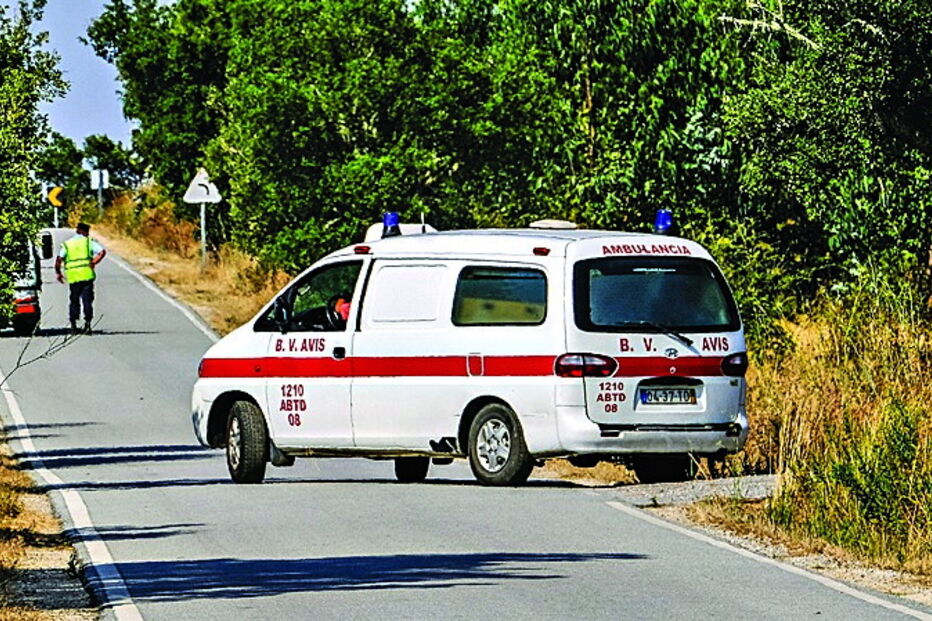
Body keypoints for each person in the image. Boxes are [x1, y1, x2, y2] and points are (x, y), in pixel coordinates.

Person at [55, 223, 106, 334]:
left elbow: (59, 259)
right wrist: (93, 262)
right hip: (87, 275)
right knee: (87, 300)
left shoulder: (67, 244)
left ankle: (73, 325)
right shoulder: (88, 242)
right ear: (86, 231)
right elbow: (102, 252)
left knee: (74, 300)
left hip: (74, 276)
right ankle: (87, 324)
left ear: (77, 230)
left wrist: (58, 273)